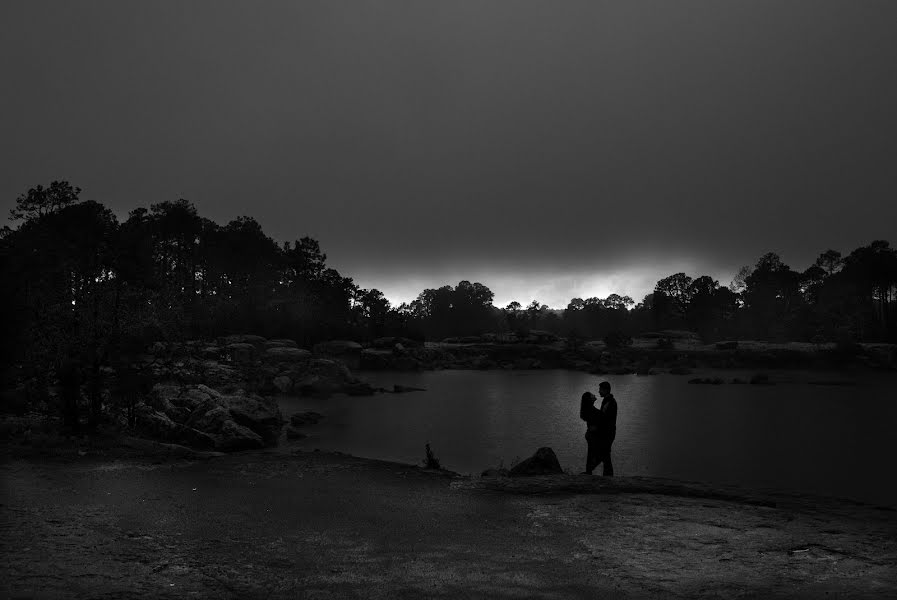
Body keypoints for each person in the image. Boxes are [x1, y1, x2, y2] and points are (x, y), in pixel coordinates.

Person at [579, 381, 617, 476]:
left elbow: (605, 420)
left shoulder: (610, 402)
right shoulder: (601, 404)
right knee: (603, 455)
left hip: (606, 433)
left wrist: (596, 429)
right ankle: (603, 475)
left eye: (600, 389)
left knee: (602, 454)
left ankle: (591, 471)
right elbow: (600, 419)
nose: (598, 392)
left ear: (606, 390)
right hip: (598, 434)